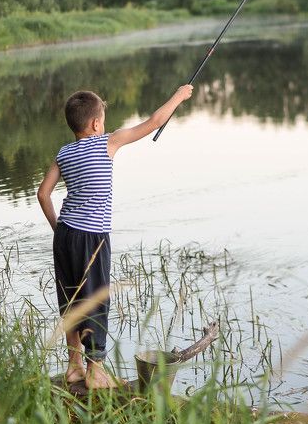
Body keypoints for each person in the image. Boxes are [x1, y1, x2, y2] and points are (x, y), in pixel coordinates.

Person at [37, 84, 193, 388]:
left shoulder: (63, 153)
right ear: (96, 123)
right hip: (92, 237)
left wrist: (59, 229)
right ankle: (96, 371)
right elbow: (154, 122)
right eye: (103, 121)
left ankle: (73, 366)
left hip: (65, 234)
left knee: (70, 299)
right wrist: (179, 95)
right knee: (95, 300)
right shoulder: (107, 142)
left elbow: (43, 194)